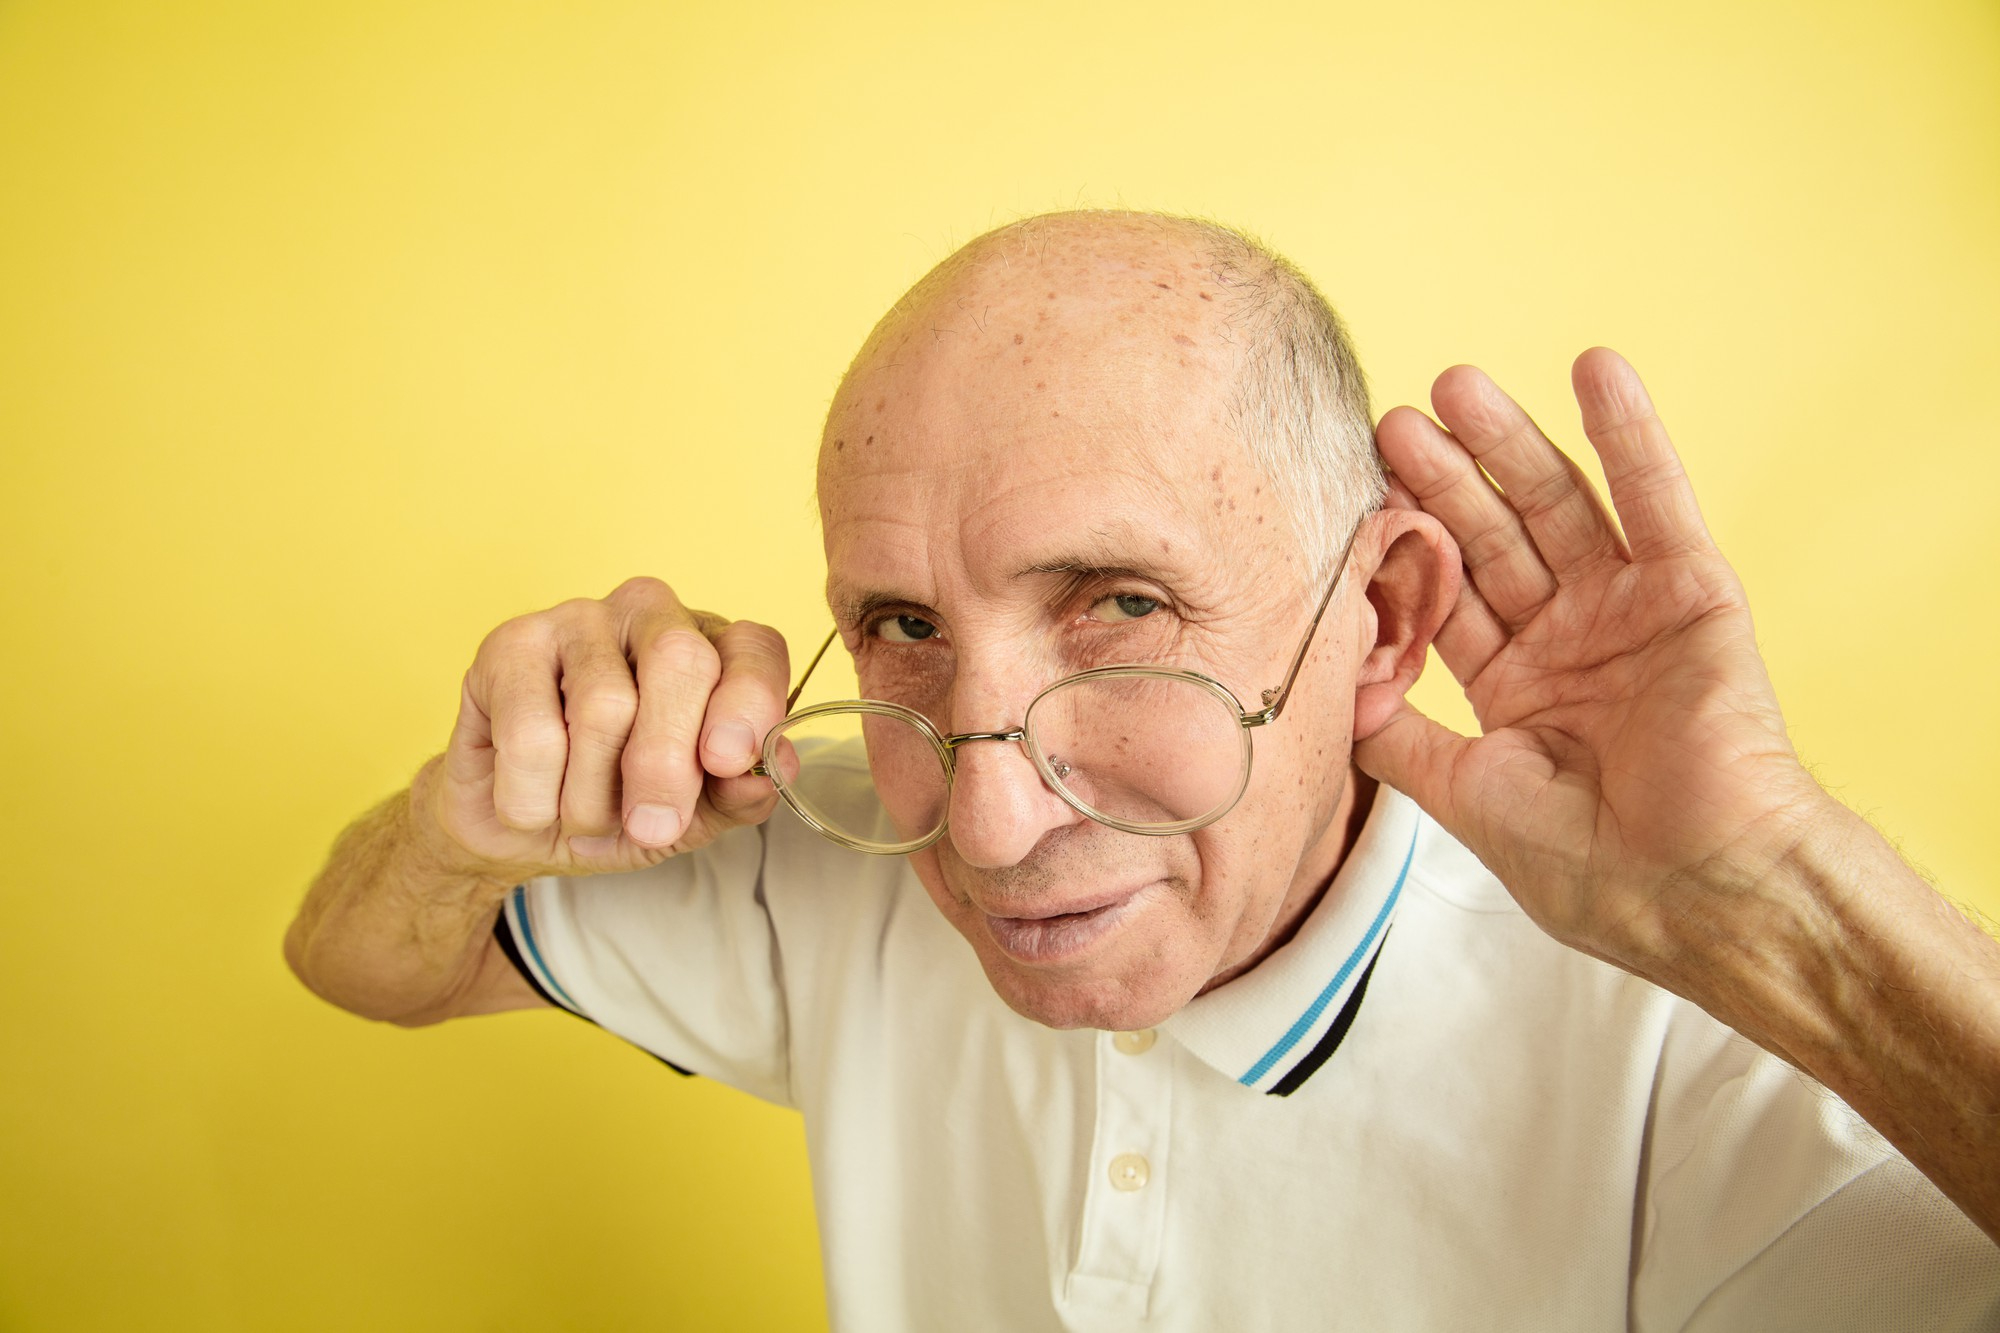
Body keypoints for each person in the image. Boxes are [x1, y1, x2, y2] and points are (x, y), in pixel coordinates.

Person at [286, 210, 2000, 1329]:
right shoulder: (855, 854)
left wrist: (1791, 905)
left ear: (1386, 613)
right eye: (899, 622)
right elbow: (364, 957)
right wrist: (479, 808)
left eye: (1119, 603)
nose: (986, 818)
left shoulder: (1702, 1064)